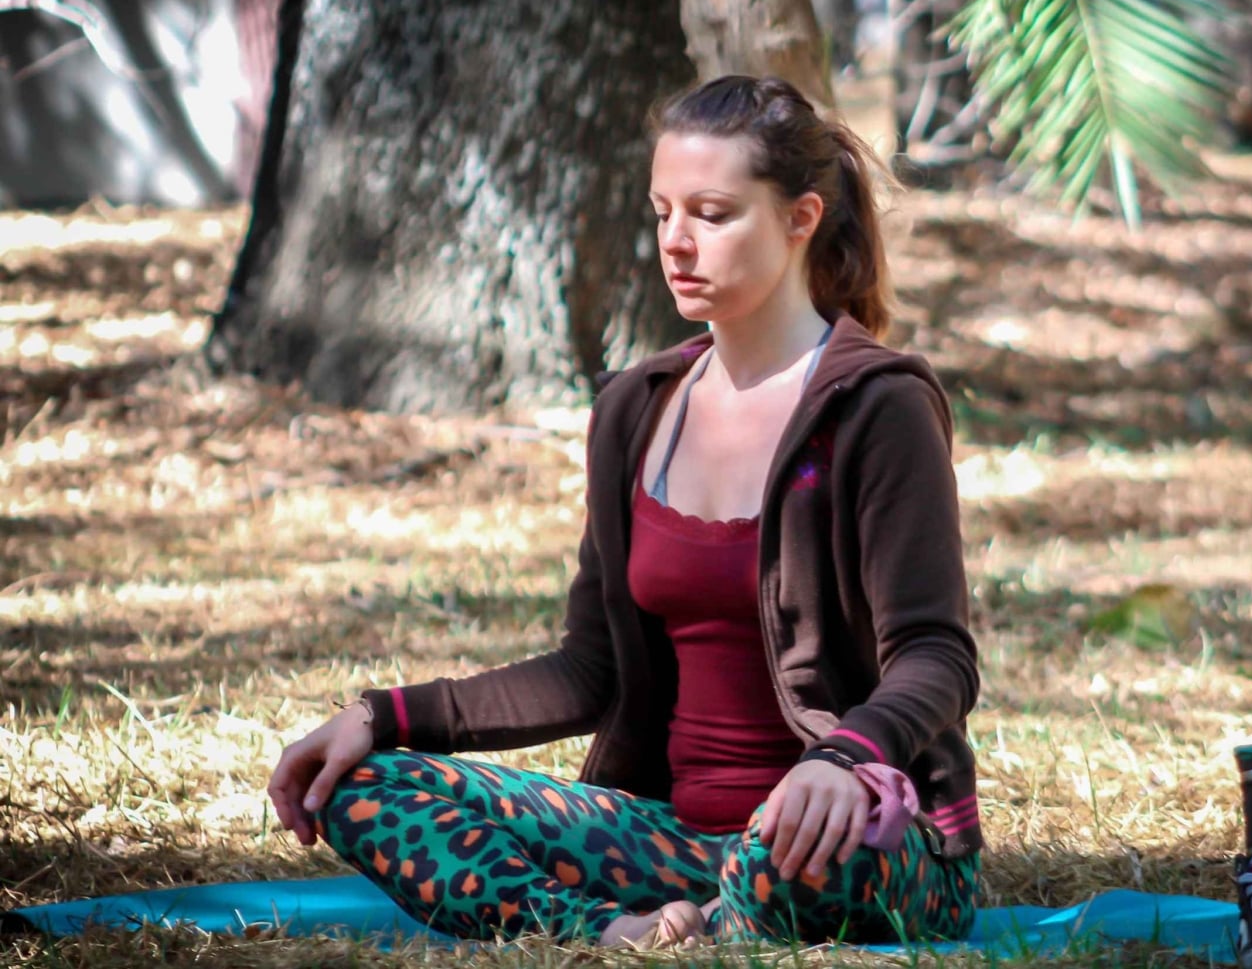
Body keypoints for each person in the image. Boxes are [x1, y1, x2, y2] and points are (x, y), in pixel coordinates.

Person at [267, 74, 983, 948]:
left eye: (713, 214)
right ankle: (616, 933)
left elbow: (936, 656)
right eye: (661, 212)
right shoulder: (636, 410)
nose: (676, 243)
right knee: (364, 784)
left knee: (787, 848)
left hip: (850, 838)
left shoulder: (876, 405)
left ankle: (724, 919)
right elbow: (590, 668)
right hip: (665, 839)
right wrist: (381, 715)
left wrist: (847, 757)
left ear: (800, 219)